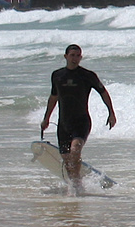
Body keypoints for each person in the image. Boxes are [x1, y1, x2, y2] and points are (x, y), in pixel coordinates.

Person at [40, 43, 116, 193]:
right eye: (72, 55)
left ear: (81, 57)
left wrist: (111, 113)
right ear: (65, 56)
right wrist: (46, 119)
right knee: (67, 159)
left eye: (78, 56)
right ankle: (76, 185)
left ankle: (76, 187)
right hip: (63, 124)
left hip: (81, 121)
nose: (75, 59)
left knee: (75, 150)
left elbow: (103, 92)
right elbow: (53, 97)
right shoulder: (57, 75)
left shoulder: (87, 76)